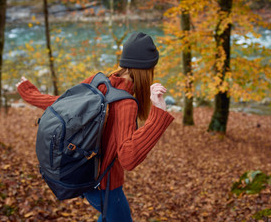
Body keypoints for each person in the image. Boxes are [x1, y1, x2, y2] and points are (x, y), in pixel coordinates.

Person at [16, 32, 174, 222]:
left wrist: (30, 94)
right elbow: (128, 158)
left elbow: (61, 105)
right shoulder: (126, 103)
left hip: (83, 173)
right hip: (106, 186)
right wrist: (158, 115)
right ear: (148, 70)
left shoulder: (97, 81)